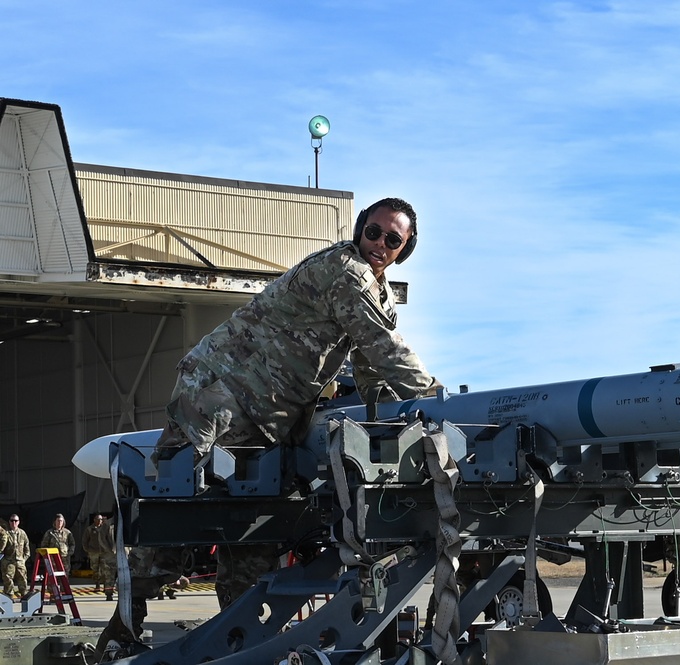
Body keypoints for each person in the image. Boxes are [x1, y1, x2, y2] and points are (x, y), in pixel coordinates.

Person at [98, 197, 441, 652]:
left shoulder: (376, 293)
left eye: (392, 239)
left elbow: (372, 372)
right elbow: (385, 349)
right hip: (219, 393)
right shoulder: (346, 271)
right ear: (361, 229)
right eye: (373, 232)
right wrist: (441, 401)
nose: (378, 243)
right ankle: (123, 628)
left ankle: (239, 641)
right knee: (176, 510)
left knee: (252, 525)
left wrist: (401, 418)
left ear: (405, 248)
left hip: (267, 418)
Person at [2, 514, 31, 597]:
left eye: (16, 521)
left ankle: (24, 597)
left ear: (18, 522)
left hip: (20, 561)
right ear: (9, 522)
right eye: (12, 520)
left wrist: (23, 559)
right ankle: (9, 597)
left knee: (23, 580)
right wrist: (4, 560)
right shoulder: (5, 533)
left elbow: (27, 548)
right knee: (8, 580)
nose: (14, 522)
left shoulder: (22, 533)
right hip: (8, 561)